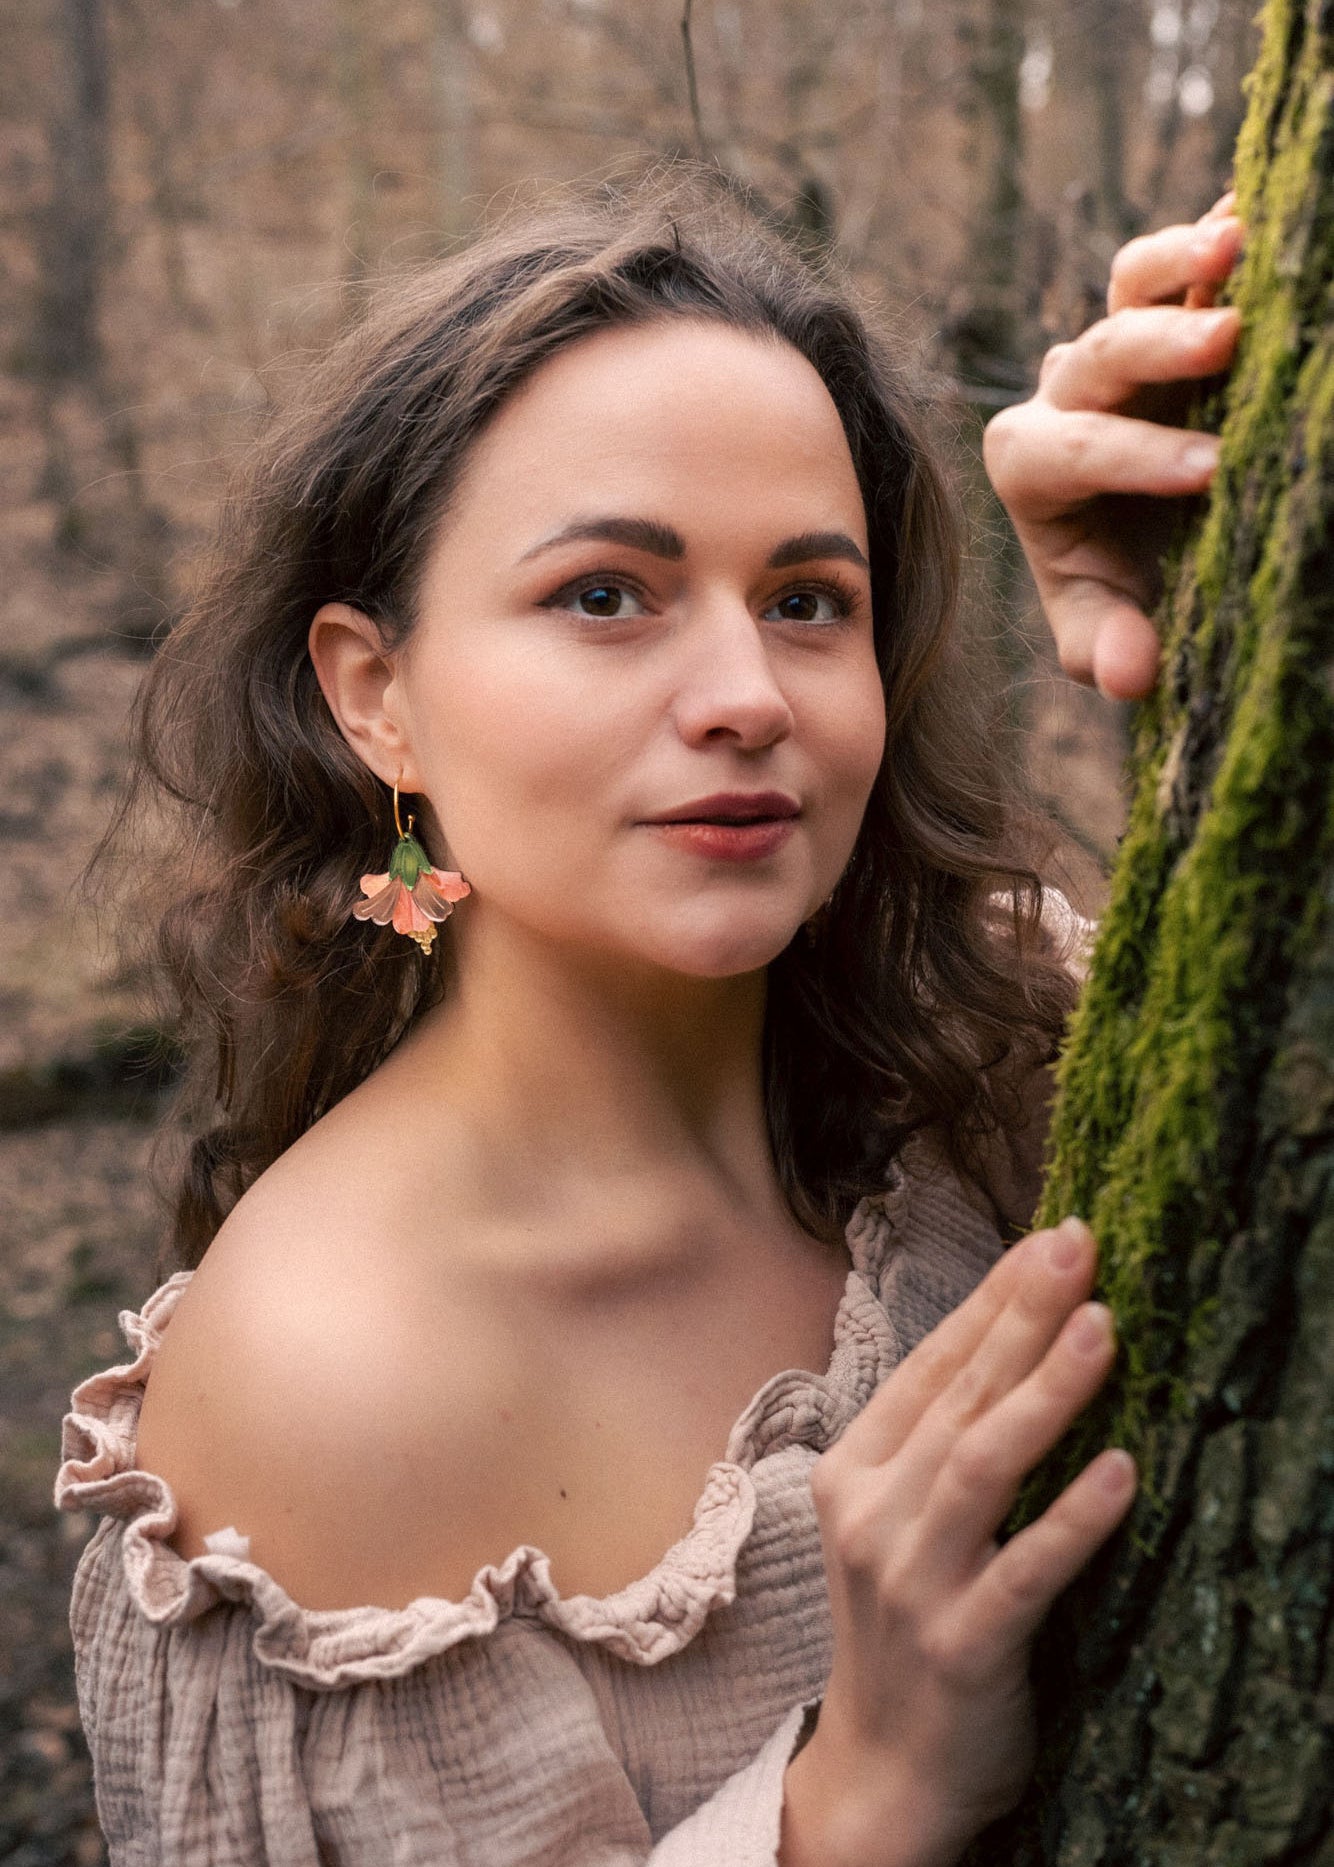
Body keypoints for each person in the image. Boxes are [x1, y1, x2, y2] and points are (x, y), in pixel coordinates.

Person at [54, 164, 1243, 1866]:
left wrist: (1193, 616)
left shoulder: (997, 1036)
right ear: (372, 693)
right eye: (606, 593)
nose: (748, 698)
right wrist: (844, 1814)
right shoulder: (327, 1387)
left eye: (806, 600)